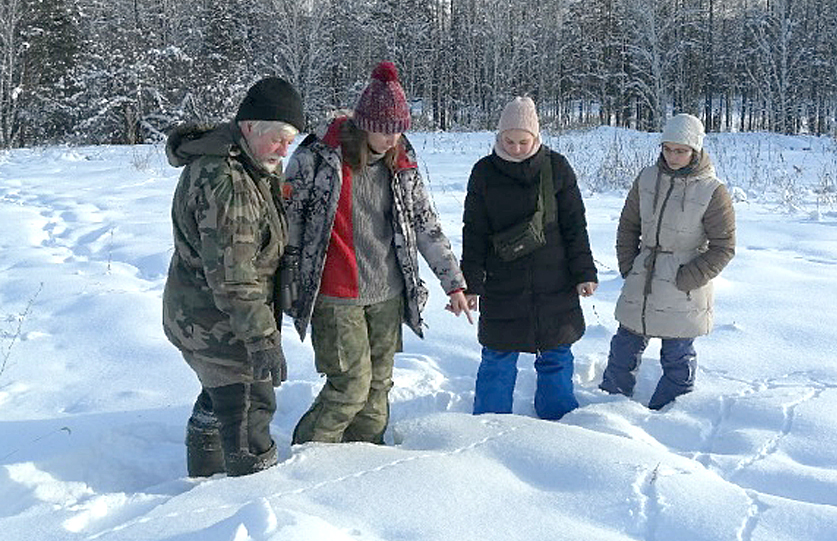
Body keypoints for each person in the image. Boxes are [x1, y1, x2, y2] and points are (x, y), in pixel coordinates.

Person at [283, 61, 470, 445]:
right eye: (384, 129)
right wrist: (284, 281)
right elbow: (289, 224)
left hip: (387, 293)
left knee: (376, 392)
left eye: (399, 129)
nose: (392, 138)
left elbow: (425, 223)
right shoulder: (318, 157)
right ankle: (306, 462)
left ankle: (367, 466)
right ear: (362, 122)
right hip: (336, 295)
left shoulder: (402, 163)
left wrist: (454, 283)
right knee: (351, 386)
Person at [163, 76, 304, 477]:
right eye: (278, 137)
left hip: (206, 316)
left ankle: (204, 475)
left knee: (218, 398)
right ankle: (245, 499)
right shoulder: (227, 181)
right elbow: (234, 276)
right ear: (249, 127)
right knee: (249, 409)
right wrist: (261, 341)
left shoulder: (248, 165)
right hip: (219, 324)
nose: (285, 147)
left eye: (290, 138)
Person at [461, 96, 598, 420]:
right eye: (509, 140)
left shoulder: (557, 168)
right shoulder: (483, 172)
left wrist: (584, 272)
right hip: (502, 283)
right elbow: (474, 232)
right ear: (498, 136)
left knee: (556, 354)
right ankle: (487, 423)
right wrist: (471, 285)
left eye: (523, 141)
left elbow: (575, 225)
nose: (516, 147)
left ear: (536, 137)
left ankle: (558, 419)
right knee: (497, 356)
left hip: (555, 282)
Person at [599, 113, 736, 409]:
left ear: (695, 150)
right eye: (667, 148)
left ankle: (668, 415)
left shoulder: (713, 191)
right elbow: (628, 226)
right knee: (624, 347)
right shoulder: (647, 178)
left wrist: (688, 277)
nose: (672, 156)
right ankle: (610, 406)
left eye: (681, 151)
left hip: (683, 285)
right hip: (642, 277)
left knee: (677, 355)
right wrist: (628, 264)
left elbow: (724, 246)